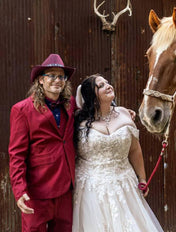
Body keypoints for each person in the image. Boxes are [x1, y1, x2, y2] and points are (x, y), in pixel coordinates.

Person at [72, 74, 163, 232]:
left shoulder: (124, 113)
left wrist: (142, 178)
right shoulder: (78, 121)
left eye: (107, 82)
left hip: (124, 184)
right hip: (91, 189)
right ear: (91, 96)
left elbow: (135, 150)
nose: (108, 86)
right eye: (100, 86)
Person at [8, 54, 76, 231]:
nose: (57, 80)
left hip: (65, 190)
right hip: (37, 191)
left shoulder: (70, 104)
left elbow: (94, 110)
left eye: (61, 76)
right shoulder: (22, 110)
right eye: (51, 75)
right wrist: (19, 190)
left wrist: (120, 112)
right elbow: (17, 154)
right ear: (40, 80)